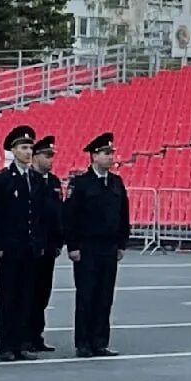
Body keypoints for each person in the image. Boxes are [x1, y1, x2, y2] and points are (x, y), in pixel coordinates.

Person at [64, 132, 130, 358]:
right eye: (105, 153)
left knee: (104, 297)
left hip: (109, 247)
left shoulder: (116, 182)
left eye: (111, 153)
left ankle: (100, 341)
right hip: (87, 248)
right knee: (86, 296)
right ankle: (83, 342)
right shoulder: (81, 183)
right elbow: (71, 216)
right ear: (94, 156)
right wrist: (72, 246)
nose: (110, 157)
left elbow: (123, 215)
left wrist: (122, 243)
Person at [0, 125, 42, 361]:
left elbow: (39, 213)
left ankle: (21, 342)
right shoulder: (4, 179)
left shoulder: (35, 178)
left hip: (29, 247)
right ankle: (7, 345)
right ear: (13, 150)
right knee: (9, 297)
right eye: (23, 147)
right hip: (10, 248)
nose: (28, 151)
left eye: (30, 147)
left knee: (26, 297)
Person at [25, 136, 64, 353]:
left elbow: (58, 213)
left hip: (49, 246)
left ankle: (36, 334)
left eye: (52, 156)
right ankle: (25, 335)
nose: (50, 160)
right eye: (47, 156)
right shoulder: (30, 180)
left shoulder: (54, 182)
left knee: (42, 293)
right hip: (32, 246)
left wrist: (59, 241)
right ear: (36, 156)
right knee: (28, 292)